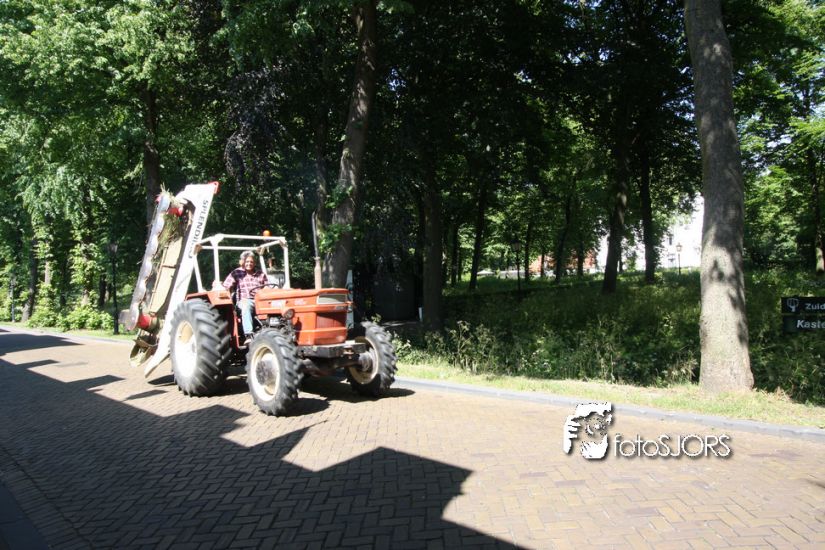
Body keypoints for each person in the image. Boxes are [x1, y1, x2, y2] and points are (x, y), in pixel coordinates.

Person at [223, 250, 268, 345]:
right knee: (246, 305)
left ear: (254, 263)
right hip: (244, 300)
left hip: (260, 301)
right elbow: (226, 286)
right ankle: (248, 335)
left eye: (251, 262)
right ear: (243, 262)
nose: (249, 264)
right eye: (247, 261)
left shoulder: (261, 274)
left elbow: (267, 287)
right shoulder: (237, 273)